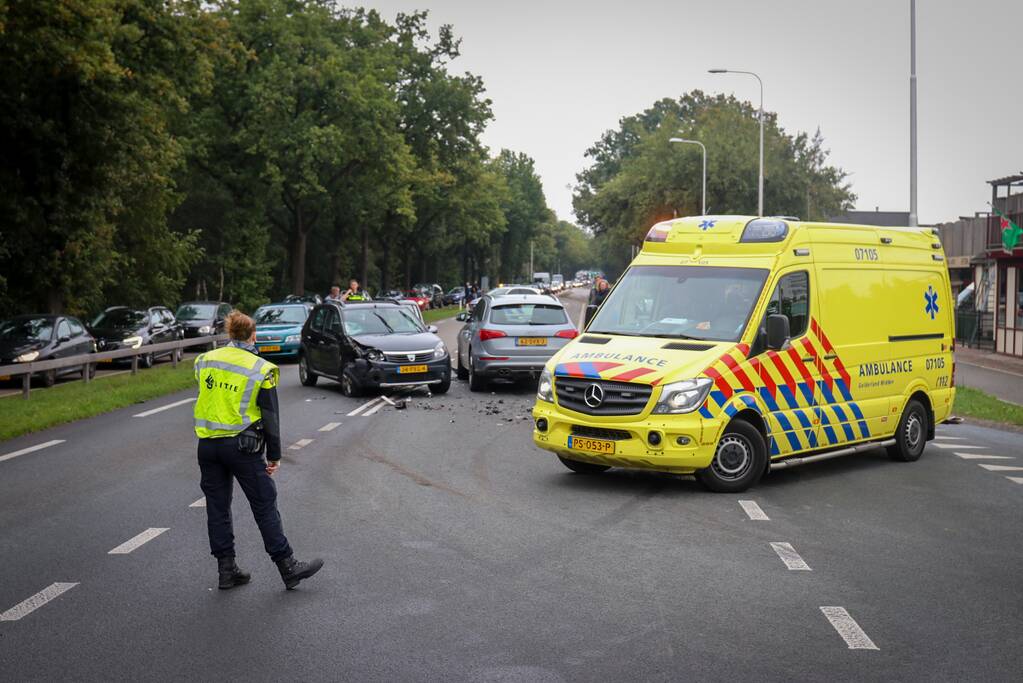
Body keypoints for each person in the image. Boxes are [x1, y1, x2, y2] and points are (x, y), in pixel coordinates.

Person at [193, 311, 323, 590]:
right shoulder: (261, 368)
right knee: (264, 504)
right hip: (241, 447)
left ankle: (226, 571)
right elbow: (270, 416)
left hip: (207, 446)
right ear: (253, 335)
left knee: (217, 508)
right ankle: (288, 566)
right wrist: (274, 455)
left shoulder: (205, 360)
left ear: (230, 334)